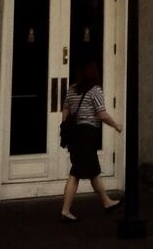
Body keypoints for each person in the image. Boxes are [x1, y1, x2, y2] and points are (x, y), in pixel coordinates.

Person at [59, 60, 121, 222]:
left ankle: (106, 202)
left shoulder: (72, 89)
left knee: (91, 170)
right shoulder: (95, 91)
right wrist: (116, 125)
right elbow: (102, 114)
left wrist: (66, 127)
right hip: (87, 134)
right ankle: (65, 210)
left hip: (74, 135)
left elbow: (65, 110)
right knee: (78, 172)